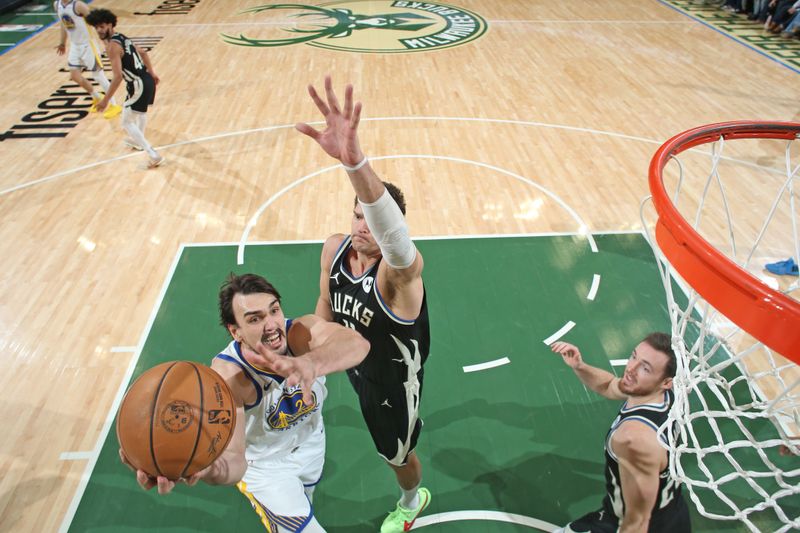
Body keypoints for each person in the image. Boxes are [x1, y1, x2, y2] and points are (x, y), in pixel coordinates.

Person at [121, 273, 370, 532]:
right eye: (255, 319)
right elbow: (234, 462)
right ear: (235, 331)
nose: (272, 324)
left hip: (311, 441)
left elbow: (357, 344)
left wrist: (311, 361)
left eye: (274, 310)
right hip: (265, 467)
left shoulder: (301, 333)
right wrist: (205, 469)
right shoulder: (228, 378)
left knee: (306, 498)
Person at [296, 76, 432, 533]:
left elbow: (397, 243)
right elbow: (324, 304)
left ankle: (412, 499)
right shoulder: (334, 248)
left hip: (393, 379)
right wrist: (314, 357)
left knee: (395, 454)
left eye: (370, 219)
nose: (360, 226)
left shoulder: (398, 277)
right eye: (356, 214)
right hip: (354, 362)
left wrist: (355, 162)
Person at [550, 333, 691, 533]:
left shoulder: (633, 439)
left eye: (645, 367)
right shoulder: (664, 395)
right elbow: (609, 386)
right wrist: (579, 366)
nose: (631, 369)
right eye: (634, 356)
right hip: (672, 511)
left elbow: (638, 522)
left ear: (666, 381)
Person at [84, 8, 164, 168]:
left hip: (137, 84)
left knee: (126, 122)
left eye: (102, 26)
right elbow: (143, 53)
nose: (99, 30)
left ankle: (152, 153)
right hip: (144, 80)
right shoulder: (121, 37)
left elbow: (118, 77)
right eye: (96, 27)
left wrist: (106, 100)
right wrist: (152, 73)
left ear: (110, 25)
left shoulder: (112, 47)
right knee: (139, 113)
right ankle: (139, 142)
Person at [54, 0, 122, 119]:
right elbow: (63, 24)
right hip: (75, 45)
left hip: (88, 45)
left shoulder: (78, 5)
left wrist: (107, 43)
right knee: (75, 76)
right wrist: (62, 43)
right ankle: (96, 97)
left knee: (98, 76)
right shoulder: (57, 4)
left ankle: (114, 105)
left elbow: (98, 23)